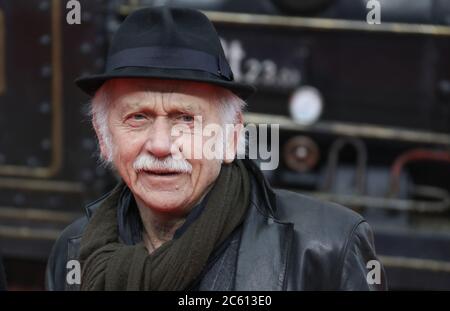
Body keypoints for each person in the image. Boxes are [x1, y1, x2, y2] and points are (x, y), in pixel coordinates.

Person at [46, 6, 386, 291]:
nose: (161, 145)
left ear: (232, 137)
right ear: (104, 137)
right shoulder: (73, 251)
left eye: (186, 119)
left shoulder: (328, 248)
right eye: (138, 117)